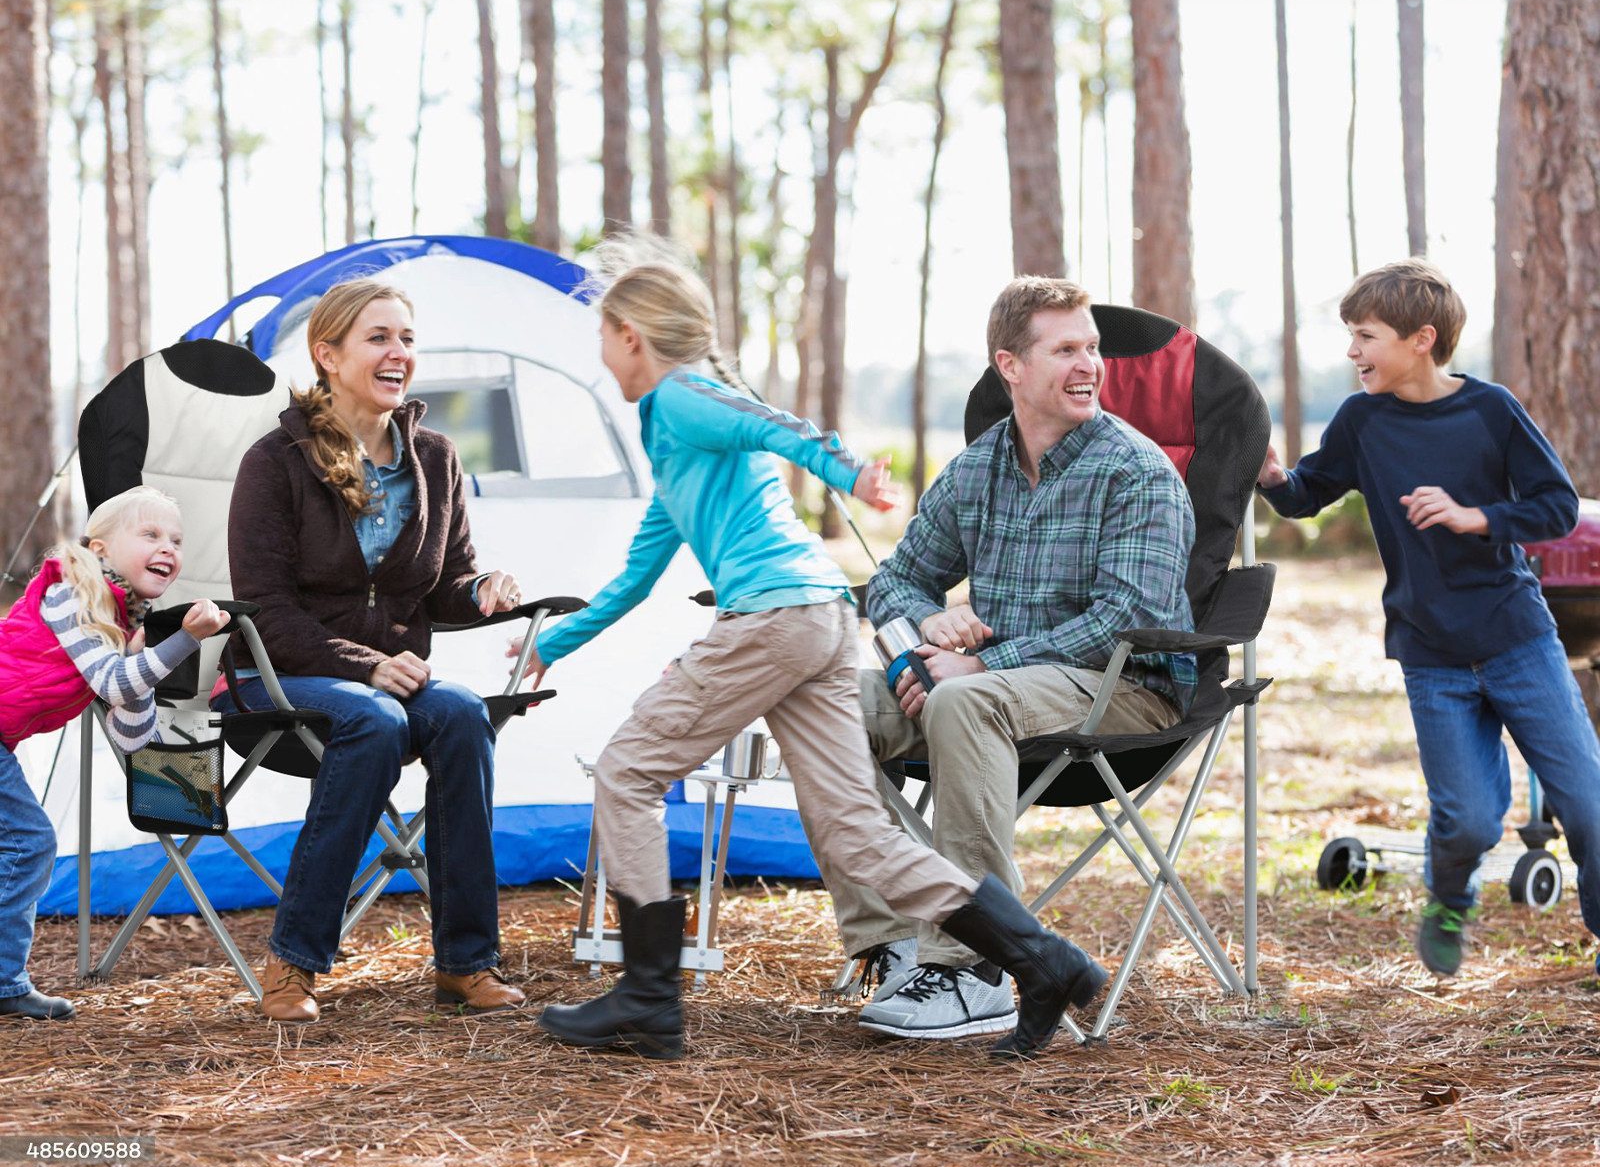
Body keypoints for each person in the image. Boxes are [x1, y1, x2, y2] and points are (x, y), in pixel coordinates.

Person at [523, 259, 1108, 1062]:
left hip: (776, 618)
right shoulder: (675, 441)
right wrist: (547, 646)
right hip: (821, 618)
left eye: (604, 338)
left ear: (632, 337)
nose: (602, 355)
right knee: (858, 833)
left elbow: (772, 423)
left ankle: (648, 996)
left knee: (626, 771)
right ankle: (1043, 960)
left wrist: (850, 474)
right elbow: (635, 575)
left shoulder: (682, 396)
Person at [824, 276, 1198, 1041]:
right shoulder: (977, 468)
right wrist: (915, 649)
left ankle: (976, 969)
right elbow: (896, 582)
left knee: (965, 700)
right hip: (990, 694)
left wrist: (980, 668)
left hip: (1121, 691)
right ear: (1012, 366)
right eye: (1065, 349)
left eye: (1092, 348)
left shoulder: (1137, 471)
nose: (1089, 364)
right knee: (821, 709)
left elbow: (1130, 617)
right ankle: (893, 946)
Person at [1257, 257, 1600, 978]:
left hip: (1517, 638)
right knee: (1470, 820)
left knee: (1588, 805)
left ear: (1421, 338)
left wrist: (1477, 517)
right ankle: (1449, 899)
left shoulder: (1490, 409)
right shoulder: (1362, 420)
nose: (1352, 352)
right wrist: (1271, 477)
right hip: (1431, 654)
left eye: (1365, 336)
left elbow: (1557, 507)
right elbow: (1305, 494)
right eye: (1351, 337)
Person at [222, 278, 525, 1023]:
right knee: (377, 720)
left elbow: (442, 583)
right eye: (379, 338)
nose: (399, 354)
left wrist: (480, 588)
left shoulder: (435, 457)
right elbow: (263, 610)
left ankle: (466, 963)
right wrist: (364, 665)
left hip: (389, 678)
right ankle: (293, 961)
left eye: (407, 340)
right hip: (280, 676)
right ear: (327, 354)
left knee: (458, 715)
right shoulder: (276, 461)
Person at [0, 486, 230, 1020]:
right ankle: (4, 982)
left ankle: (5, 982)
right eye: (149, 534)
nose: (168, 547)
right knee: (30, 841)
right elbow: (112, 681)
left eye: (175, 538)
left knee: (23, 843)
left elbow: (130, 735)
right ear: (100, 549)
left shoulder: (120, 623)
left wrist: (146, 657)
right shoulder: (71, 594)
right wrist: (183, 643)